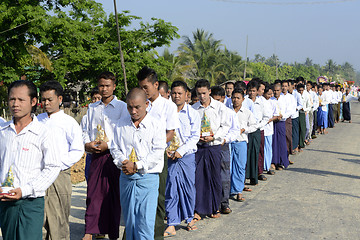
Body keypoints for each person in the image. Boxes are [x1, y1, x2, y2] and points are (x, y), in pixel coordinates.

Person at [0, 80, 61, 240]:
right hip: (5, 201)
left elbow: (53, 167)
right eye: (12, 99)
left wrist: (25, 190)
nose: (15, 104)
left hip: (31, 202)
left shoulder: (44, 133)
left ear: (33, 102)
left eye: (21, 100)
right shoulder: (3, 132)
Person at [110, 88, 166, 240]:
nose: (133, 111)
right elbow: (114, 148)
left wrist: (137, 165)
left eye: (137, 107)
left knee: (145, 223)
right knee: (130, 221)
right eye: (129, 107)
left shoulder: (156, 124)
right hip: (126, 177)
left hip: (147, 177)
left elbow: (157, 152)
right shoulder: (120, 124)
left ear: (147, 104)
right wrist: (124, 163)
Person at [82, 72, 127, 240]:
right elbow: (86, 130)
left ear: (114, 86)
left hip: (114, 155)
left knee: (113, 195)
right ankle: (90, 230)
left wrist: (109, 145)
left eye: (108, 86)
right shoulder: (92, 107)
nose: (104, 89)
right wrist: (87, 144)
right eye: (101, 85)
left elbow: (123, 132)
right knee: (93, 194)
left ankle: (112, 232)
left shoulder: (122, 107)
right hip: (96, 155)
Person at [137, 66, 180, 240]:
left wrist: (157, 146)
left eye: (146, 87)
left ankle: (155, 235)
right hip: (138, 155)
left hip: (157, 156)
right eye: (141, 87)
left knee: (158, 197)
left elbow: (171, 131)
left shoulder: (167, 106)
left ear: (156, 85)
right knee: (138, 197)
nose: (143, 91)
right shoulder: (139, 103)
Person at [38, 81, 84, 240]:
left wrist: (59, 164)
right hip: (39, 174)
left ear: (59, 99)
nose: (46, 103)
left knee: (59, 219)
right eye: (43, 99)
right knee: (40, 219)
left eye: (50, 99)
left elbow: (78, 149)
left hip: (60, 174)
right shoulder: (37, 120)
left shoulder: (68, 122)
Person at [164, 81, 201, 237]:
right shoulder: (166, 112)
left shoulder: (193, 113)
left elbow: (194, 137)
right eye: (174, 93)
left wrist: (181, 150)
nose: (176, 96)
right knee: (170, 187)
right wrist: (165, 148)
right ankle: (172, 223)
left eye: (180, 93)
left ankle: (189, 218)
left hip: (187, 156)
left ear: (187, 95)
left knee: (188, 188)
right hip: (170, 155)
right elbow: (161, 131)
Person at [192, 79, 231, 219]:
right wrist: (198, 137)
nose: (202, 96)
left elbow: (225, 126)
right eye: (199, 94)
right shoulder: (194, 108)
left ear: (209, 91)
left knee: (215, 177)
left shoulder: (219, 108)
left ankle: (215, 208)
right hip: (199, 146)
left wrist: (214, 137)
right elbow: (191, 128)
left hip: (214, 146)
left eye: (204, 93)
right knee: (199, 178)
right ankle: (199, 209)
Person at [210, 86, 240, 215]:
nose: (215, 103)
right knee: (210, 175)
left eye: (218, 100)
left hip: (222, 146)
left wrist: (225, 139)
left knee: (224, 175)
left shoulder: (229, 112)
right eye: (213, 100)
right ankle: (212, 205)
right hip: (209, 146)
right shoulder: (208, 111)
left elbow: (235, 130)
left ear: (223, 99)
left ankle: (224, 203)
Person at [230, 88, 257, 202]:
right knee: (229, 167)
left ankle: (239, 191)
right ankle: (229, 190)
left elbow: (254, 126)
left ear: (243, 99)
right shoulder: (227, 111)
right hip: (229, 142)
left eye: (238, 98)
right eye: (234, 98)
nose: (235, 100)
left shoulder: (247, 112)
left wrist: (244, 129)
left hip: (241, 141)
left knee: (240, 167)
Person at [82, 87, 102, 182]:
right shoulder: (86, 117)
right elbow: (83, 132)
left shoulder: (106, 115)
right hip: (91, 154)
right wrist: (87, 143)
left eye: (99, 98)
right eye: (94, 98)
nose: (96, 101)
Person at [271, 83, 290, 170]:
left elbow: (289, 111)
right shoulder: (271, 100)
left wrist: (282, 116)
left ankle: (282, 162)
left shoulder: (284, 99)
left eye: (277, 90)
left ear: (281, 90)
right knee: (274, 142)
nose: (276, 92)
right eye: (274, 90)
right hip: (272, 123)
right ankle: (274, 162)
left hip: (281, 122)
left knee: (281, 142)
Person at [263, 84, 277, 174]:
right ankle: (263, 166)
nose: (270, 96)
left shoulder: (272, 102)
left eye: (271, 94)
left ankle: (267, 166)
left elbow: (276, 115)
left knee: (268, 147)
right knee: (263, 148)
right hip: (261, 128)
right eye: (268, 94)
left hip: (268, 127)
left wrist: (270, 119)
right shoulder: (261, 101)